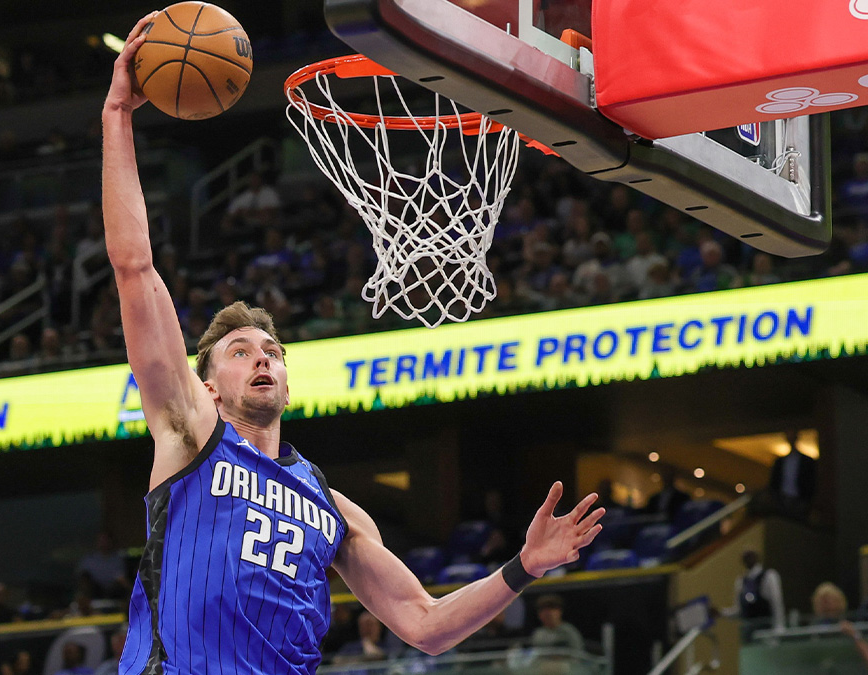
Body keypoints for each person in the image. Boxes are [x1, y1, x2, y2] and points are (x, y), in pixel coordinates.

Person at [102, 15, 605, 675]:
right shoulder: (188, 432)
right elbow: (135, 266)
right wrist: (117, 114)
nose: (264, 358)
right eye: (242, 351)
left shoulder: (329, 504)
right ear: (208, 386)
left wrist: (524, 566)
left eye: (273, 351)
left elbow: (425, 624)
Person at [722, 550, 785, 639]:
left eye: (750, 555)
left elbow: (777, 604)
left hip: (767, 630)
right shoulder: (741, 582)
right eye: (745, 557)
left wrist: (779, 629)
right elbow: (739, 611)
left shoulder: (769, 576)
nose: (748, 559)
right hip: (749, 633)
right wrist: (722, 613)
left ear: (757, 557)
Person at [767, 430, 817, 520]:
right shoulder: (780, 462)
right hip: (782, 501)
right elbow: (774, 482)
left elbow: (812, 482)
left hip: (800, 501)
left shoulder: (807, 461)